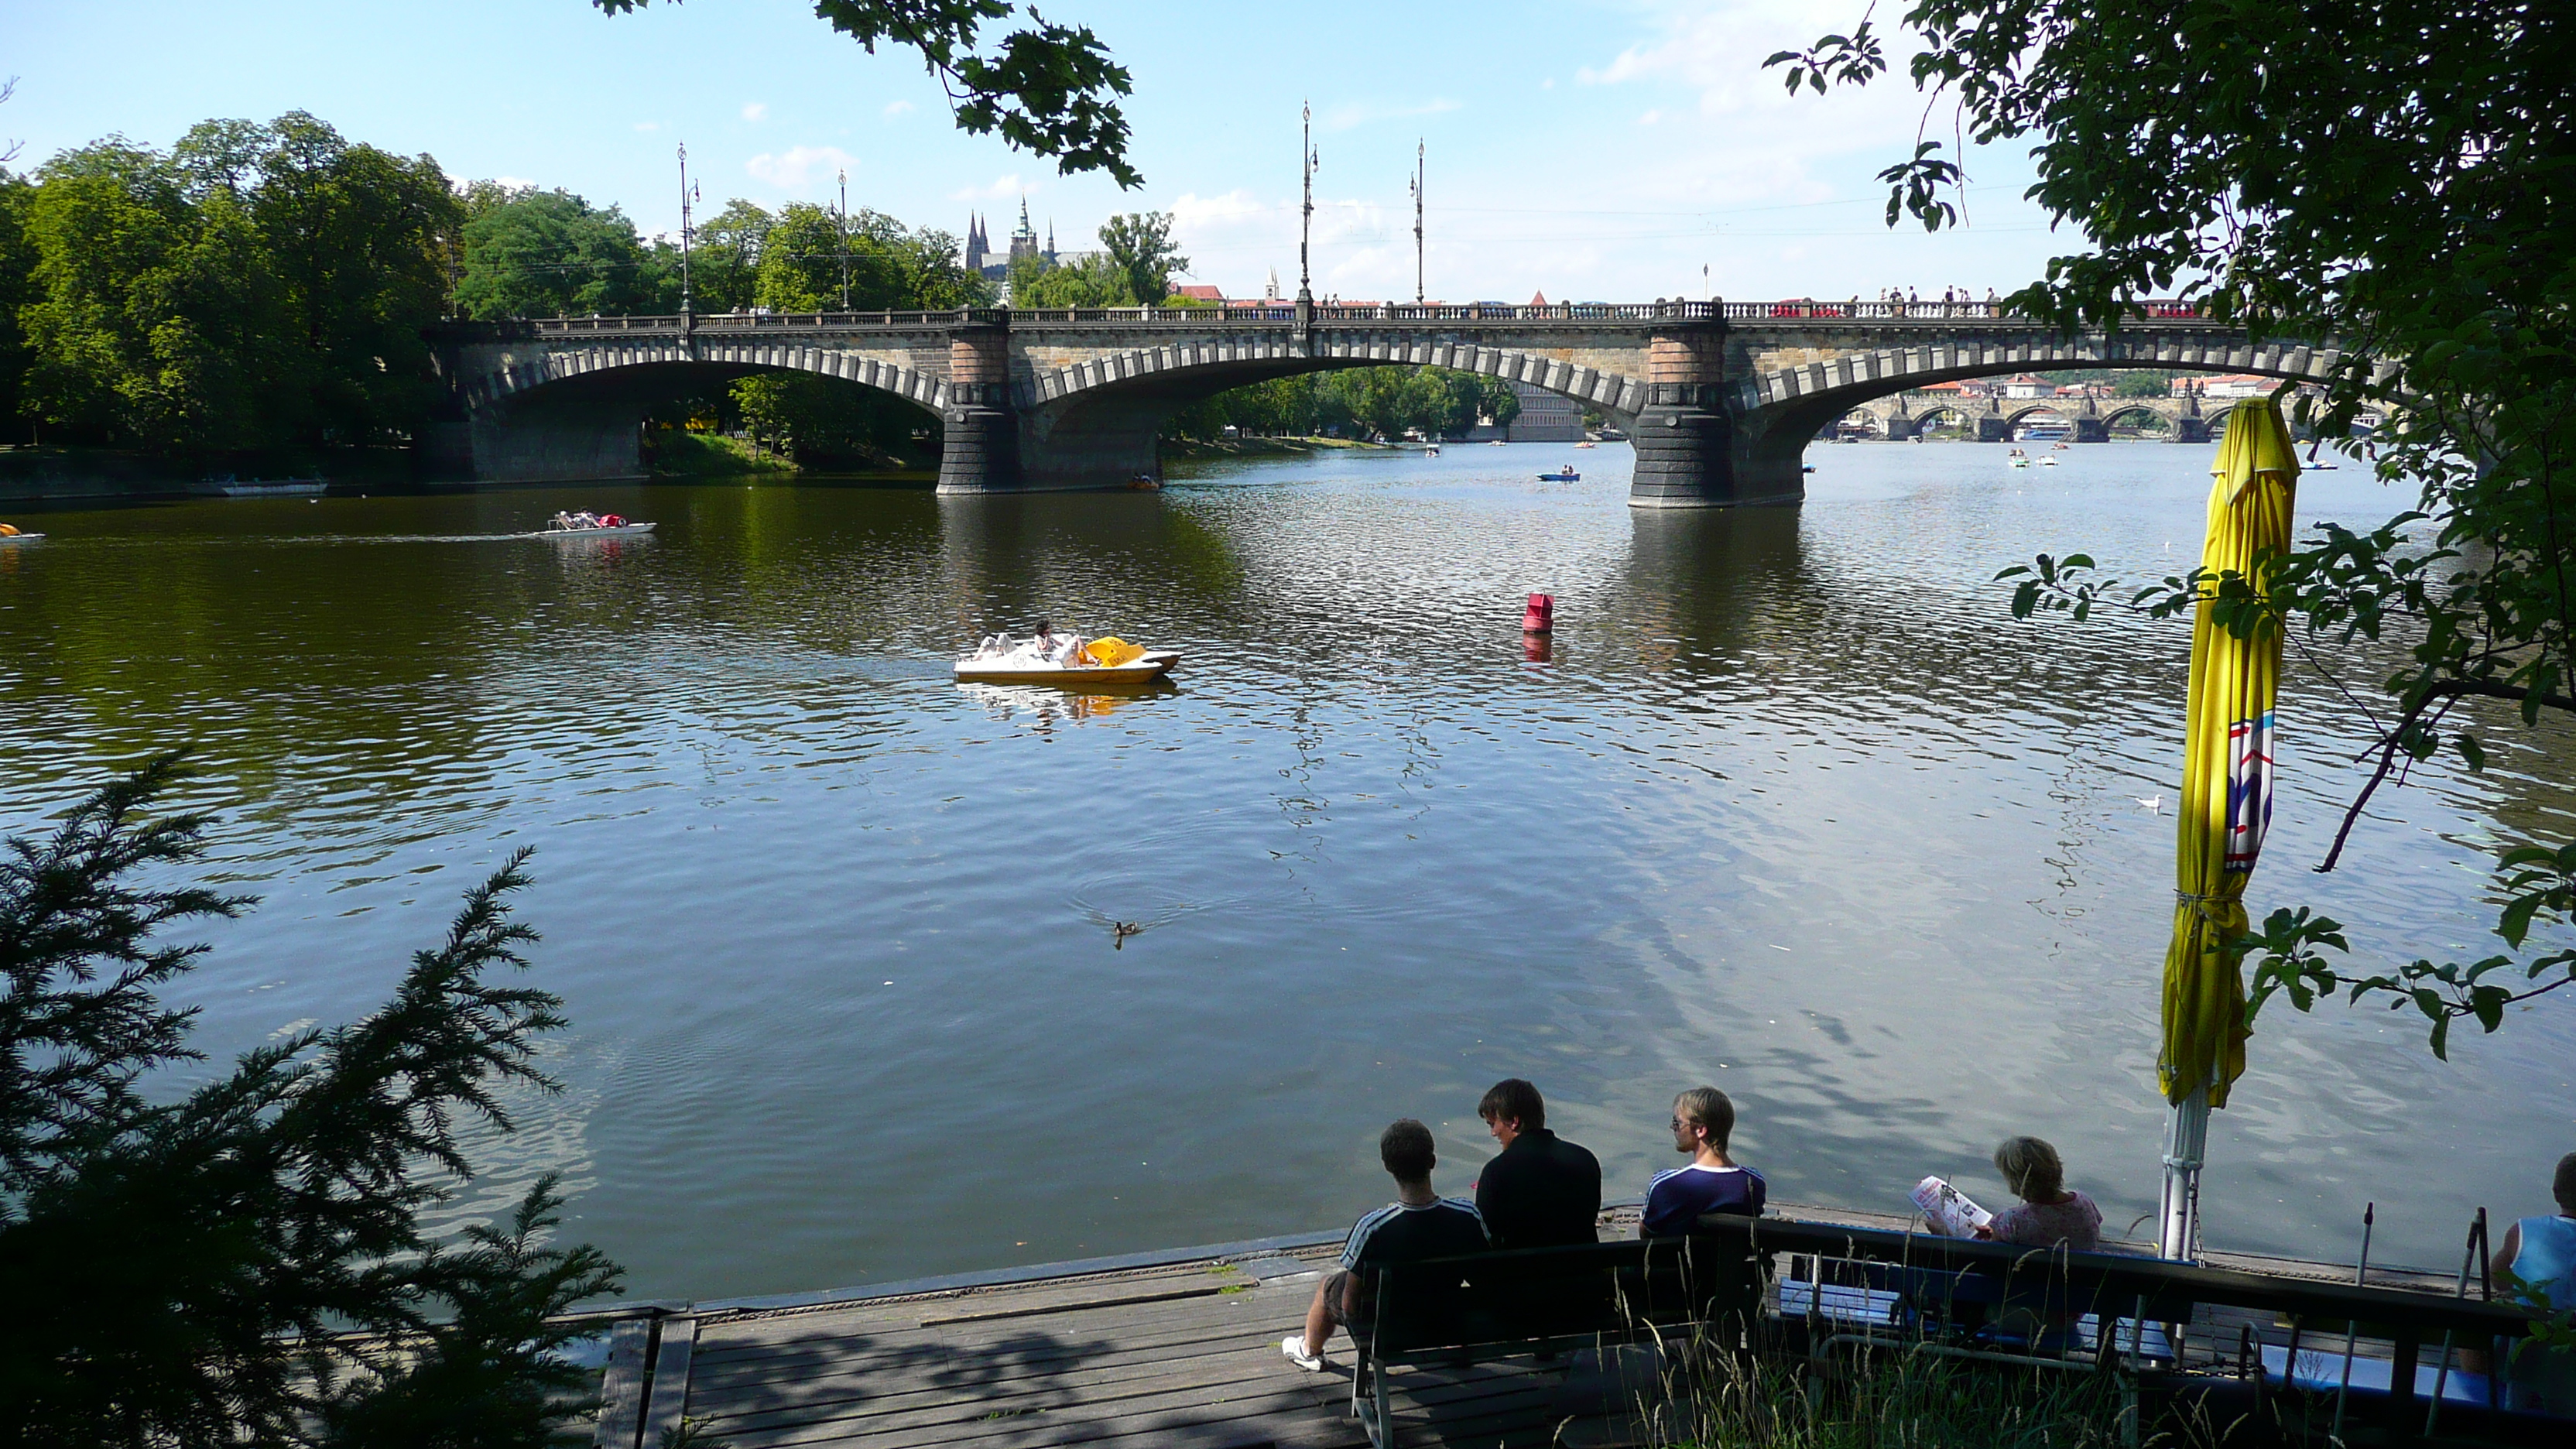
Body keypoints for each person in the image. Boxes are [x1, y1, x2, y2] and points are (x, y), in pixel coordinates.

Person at [1281, 1119, 1488, 1372]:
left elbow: (1349, 1306)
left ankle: (1309, 1351)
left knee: (1328, 1286)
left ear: (1388, 1166)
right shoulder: (1467, 1215)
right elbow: (1483, 1281)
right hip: (1447, 1322)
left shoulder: (1373, 1228)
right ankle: (1449, 1345)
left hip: (1388, 1333)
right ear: (1432, 1161)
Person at [1472, 1079, 1602, 1249]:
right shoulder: (1585, 1159)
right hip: (1585, 1271)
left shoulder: (1496, 1172)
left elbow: (1487, 1239)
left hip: (1525, 1273)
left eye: (1493, 1124)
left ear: (1514, 1121)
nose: (1493, 1133)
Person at [2491, 1153, 2576, 1411]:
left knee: (2470, 1332)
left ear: (2555, 1192)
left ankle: (2485, 1396)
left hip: (2524, 1357)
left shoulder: (2522, 1230)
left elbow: (2497, 1277)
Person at [1640, 1087, 1764, 1237]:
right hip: (1733, 1260)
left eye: (1677, 1122)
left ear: (1700, 1130)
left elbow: (1647, 1234)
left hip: (1676, 1260)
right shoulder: (1754, 1182)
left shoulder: (1665, 1185)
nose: (1672, 1127)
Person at [1975, 1136, 2102, 1250]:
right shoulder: (2084, 1201)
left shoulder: (2013, 1220)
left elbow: (1992, 1248)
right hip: (2081, 1273)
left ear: (2015, 1178)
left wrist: (1992, 1233)